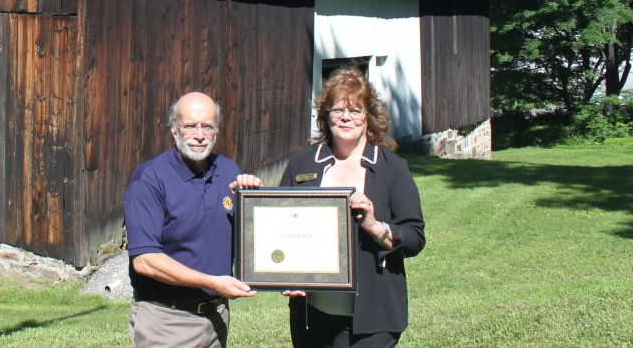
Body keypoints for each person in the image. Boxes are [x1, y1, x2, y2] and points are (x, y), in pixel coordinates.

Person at [279, 67, 425, 348]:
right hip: (312, 316)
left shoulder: (391, 168)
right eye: (337, 110)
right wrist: (287, 273)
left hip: (374, 318)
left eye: (356, 111)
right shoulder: (302, 164)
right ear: (325, 116)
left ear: (369, 118)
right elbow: (283, 224)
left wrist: (373, 225)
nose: (346, 117)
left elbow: (415, 237)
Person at [124, 91, 261, 348]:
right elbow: (145, 261)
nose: (199, 135)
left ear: (217, 130)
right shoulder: (150, 179)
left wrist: (254, 201)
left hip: (217, 317)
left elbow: (249, 239)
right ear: (174, 130)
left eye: (207, 127)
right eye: (190, 126)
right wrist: (212, 282)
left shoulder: (229, 171)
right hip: (166, 321)